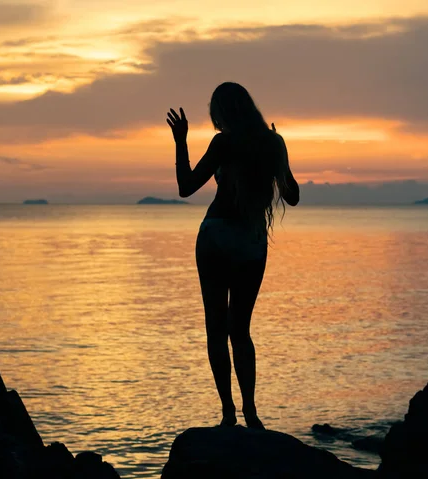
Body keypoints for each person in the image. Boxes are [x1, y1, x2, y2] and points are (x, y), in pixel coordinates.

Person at [166, 82, 299, 429]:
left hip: (217, 235)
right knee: (240, 330)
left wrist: (181, 141)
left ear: (223, 112)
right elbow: (293, 195)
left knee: (216, 329)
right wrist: (278, 160)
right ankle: (251, 414)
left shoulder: (223, 142)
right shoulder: (273, 142)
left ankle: (228, 414)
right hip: (252, 241)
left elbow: (185, 187)